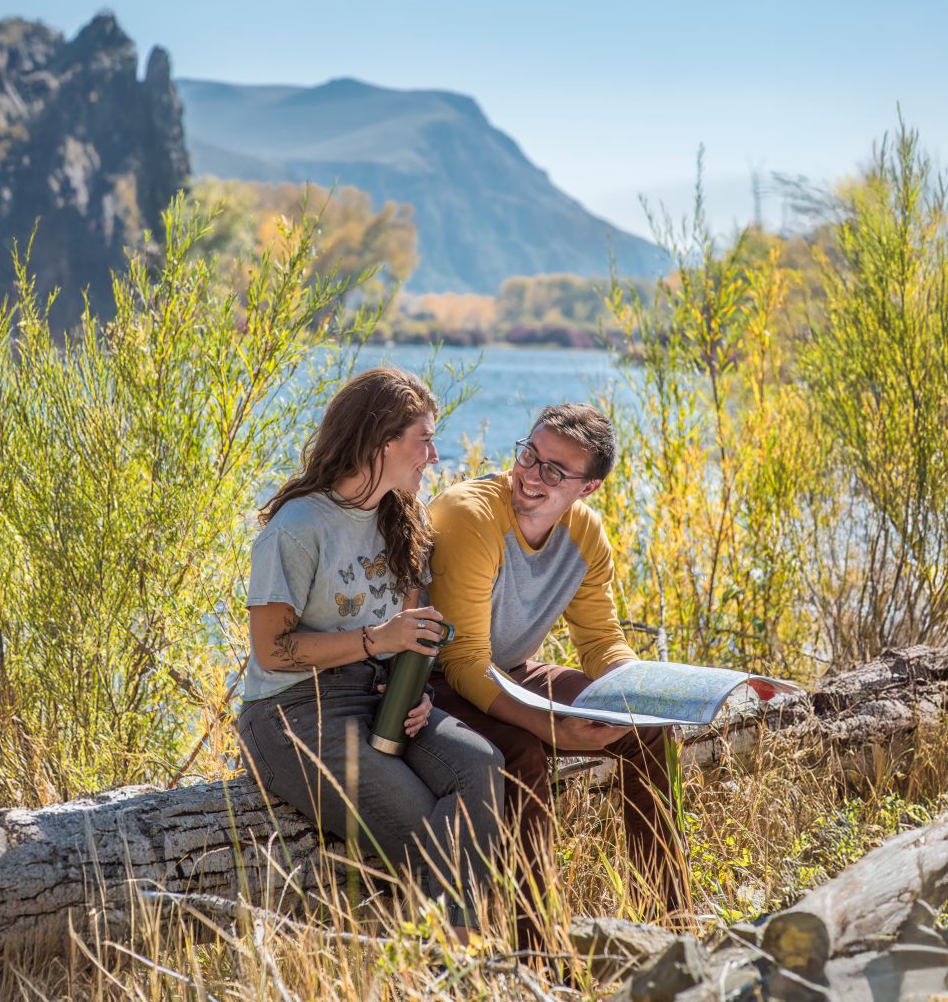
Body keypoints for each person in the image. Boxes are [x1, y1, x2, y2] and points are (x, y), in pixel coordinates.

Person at [237, 367, 504, 937]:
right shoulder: (298, 527)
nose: (433, 455)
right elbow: (272, 651)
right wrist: (373, 641)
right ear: (379, 442)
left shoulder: (401, 517)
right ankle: (451, 970)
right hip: (292, 714)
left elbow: (409, 632)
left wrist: (418, 695)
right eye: (423, 439)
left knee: (483, 764)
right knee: (423, 832)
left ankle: (448, 961)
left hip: (379, 696)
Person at [427, 403, 686, 937]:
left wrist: (636, 691)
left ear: (587, 488)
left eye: (554, 471)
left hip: (508, 669)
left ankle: (668, 925)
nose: (529, 474)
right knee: (520, 751)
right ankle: (539, 948)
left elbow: (600, 641)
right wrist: (551, 725)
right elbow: (463, 661)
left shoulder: (585, 535)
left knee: (650, 729)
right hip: (435, 682)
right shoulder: (469, 515)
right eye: (529, 454)